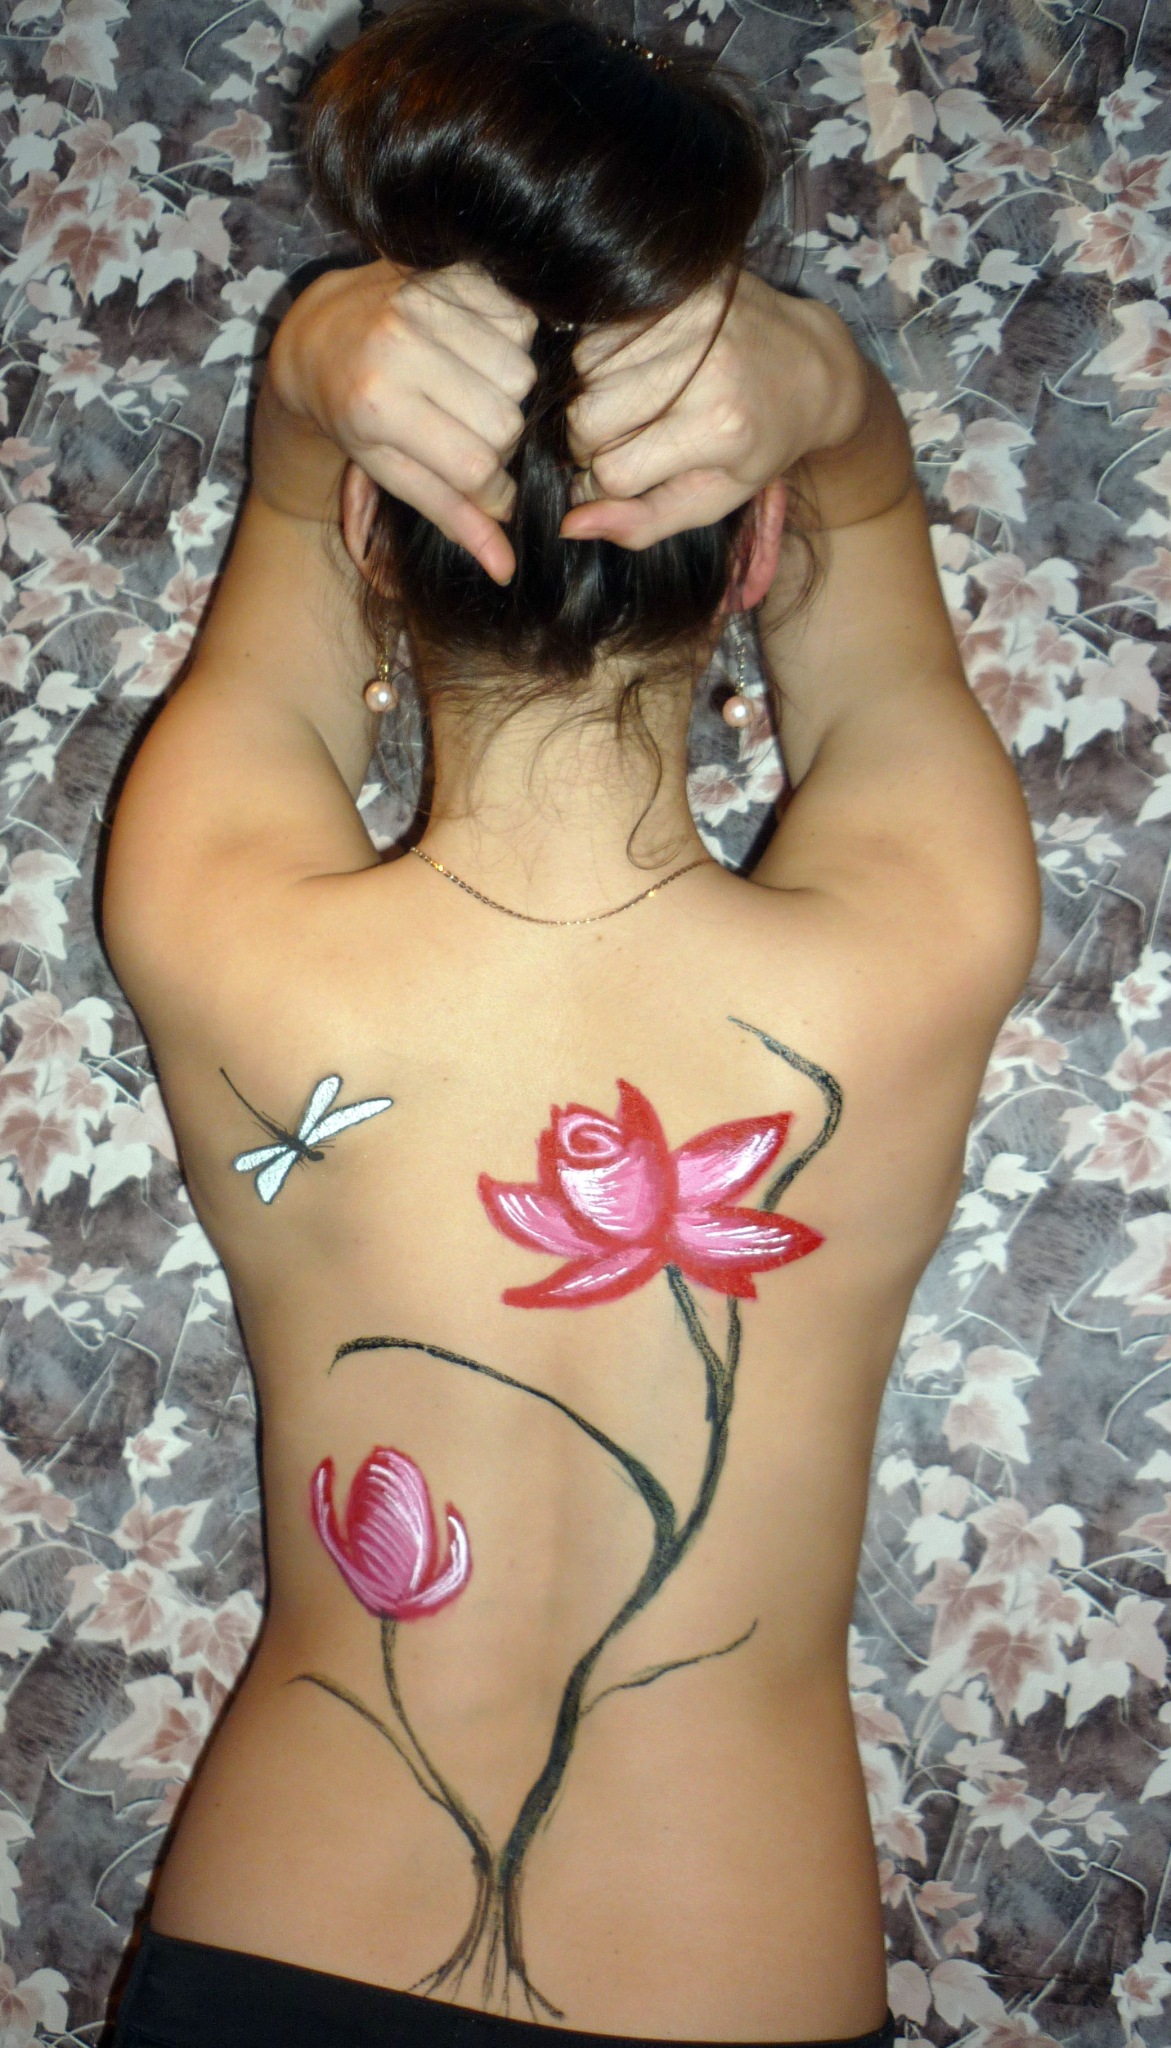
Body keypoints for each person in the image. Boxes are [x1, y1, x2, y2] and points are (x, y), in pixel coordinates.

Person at [101, 3, 1040, 2044]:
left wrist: (310, 379)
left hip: (280, 1950)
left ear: (378, 532)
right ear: (757, 547)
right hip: (740, 1962)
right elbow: (878, 584)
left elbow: (293, 520)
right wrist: (833, 400)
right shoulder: (913, 952)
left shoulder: (222, 929)